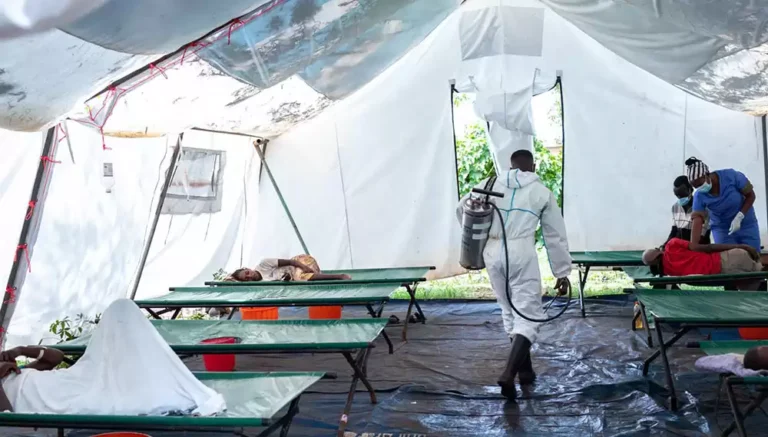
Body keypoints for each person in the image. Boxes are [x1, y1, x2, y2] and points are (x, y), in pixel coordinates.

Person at [456, 149, 571, 401]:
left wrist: (480, 238)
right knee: (528, 313)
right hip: (521, 251)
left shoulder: (488, 184)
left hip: (492, 251)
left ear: (510, 166)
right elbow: (555, 235)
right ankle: (508, 373)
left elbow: (461, 210)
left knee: (508, 309)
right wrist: (562, 272)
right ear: (534, 166)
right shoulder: (541, 192)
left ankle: (525, 371)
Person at [0, 299, 224, 415]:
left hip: (71, 379)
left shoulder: (16, 371)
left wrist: (21, 350)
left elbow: (56, 357)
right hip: (60, 397)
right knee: (109, 394)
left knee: (121, 308)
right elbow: (6, 414)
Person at [686, 157, 760, 252]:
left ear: (707, 174)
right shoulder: (699, 195)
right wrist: (694, 244)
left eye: (700, 184)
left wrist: (740, 216)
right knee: (729, 257)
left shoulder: (732, 176)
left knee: (753, 254)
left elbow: (751, 196)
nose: (699, 188)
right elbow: (697, 219)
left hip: (746, 224)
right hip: (722, 230)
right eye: (696, 187)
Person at [642, 238, 763, 289]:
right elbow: (707, 247)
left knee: (756, 287)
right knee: (761, 271)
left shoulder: (669, 273)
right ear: (658, 252)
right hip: (726, 258)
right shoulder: (672, 244)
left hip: (725, 273)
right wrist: (740, 246)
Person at [229, 254, 351, 282]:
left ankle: (340, 276)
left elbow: (291, 262)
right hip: (295, 275)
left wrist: (303, 266)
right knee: (299, 278)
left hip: (300, 261)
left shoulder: (264, 264)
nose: (249, 276)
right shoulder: (262, 283)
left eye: (247, 273)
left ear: (248, 268)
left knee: (299, 277)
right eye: (246, 278)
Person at [666, 175, 711, 245]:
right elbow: (674, 231)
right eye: (677, 195)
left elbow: (701, 237)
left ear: (691, 190)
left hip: (698, 246)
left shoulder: (703, 209)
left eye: (682, 195)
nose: (680, 198)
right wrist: (664, 246)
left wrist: (686, 248)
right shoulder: (675, 207)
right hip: (681, 246)